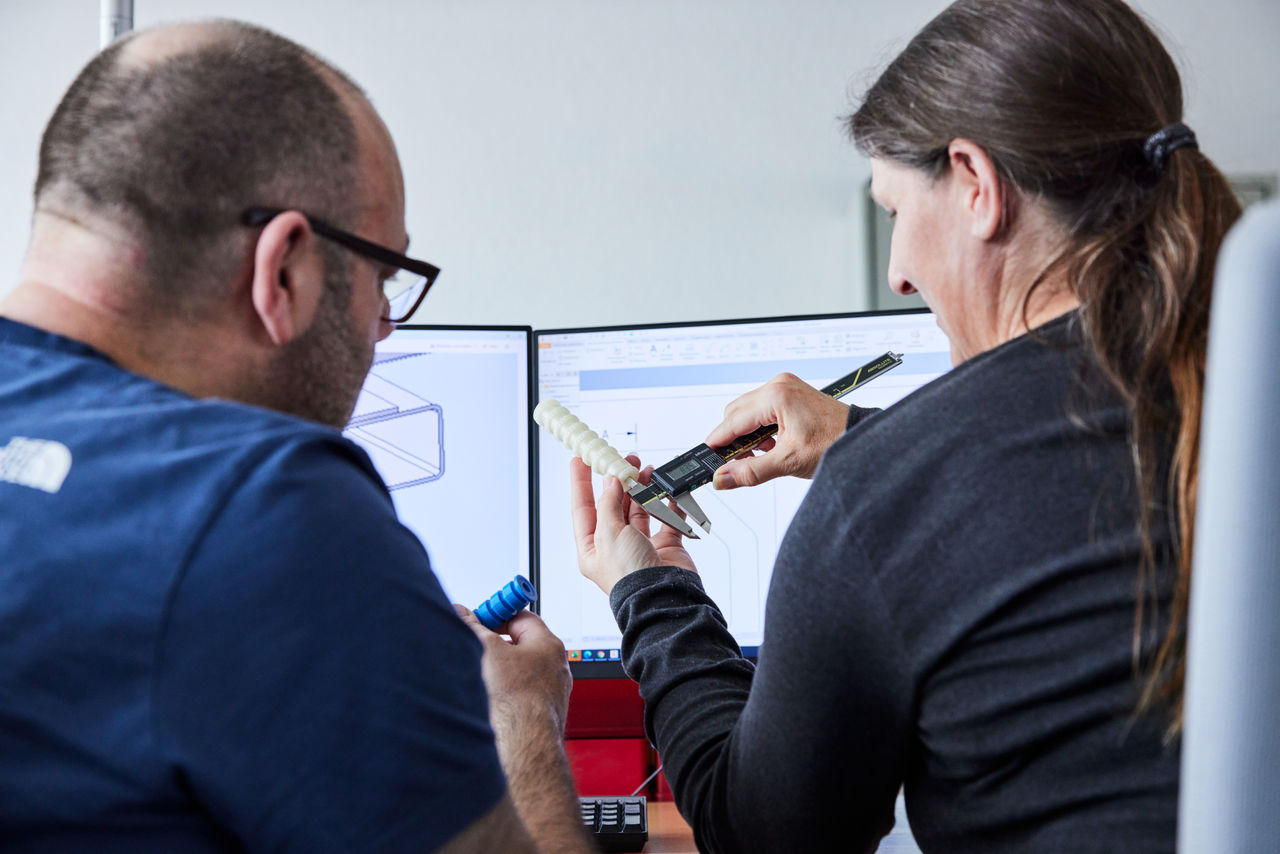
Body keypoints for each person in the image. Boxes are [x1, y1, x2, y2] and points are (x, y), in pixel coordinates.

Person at [568, 0, 1241, 851]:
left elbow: (765, 832)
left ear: (975, 185)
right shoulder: (1239, 401)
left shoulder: (887, 493)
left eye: (893, 211)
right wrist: (861, 433)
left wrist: (649, 592)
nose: (896, 275)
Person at [0, 20, 591, 853]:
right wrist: (523, 721)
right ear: (284, 268)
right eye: (385, 278)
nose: (384, 325)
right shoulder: (268, 510)